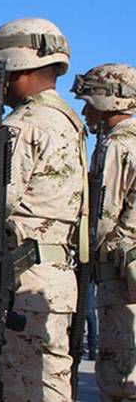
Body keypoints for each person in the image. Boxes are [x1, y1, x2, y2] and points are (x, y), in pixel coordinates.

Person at [0, 18, 85, 401]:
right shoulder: (70, 123)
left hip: (20, 280)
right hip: (55, 279)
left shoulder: (23, 125)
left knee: (16, 385)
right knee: (50, 382)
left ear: (15, 66)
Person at [73, 63, 136, 399]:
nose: (85, 110)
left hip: (119, 274)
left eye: (90, 101)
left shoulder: (116, 146)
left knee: (118, 377)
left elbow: (101, 218)